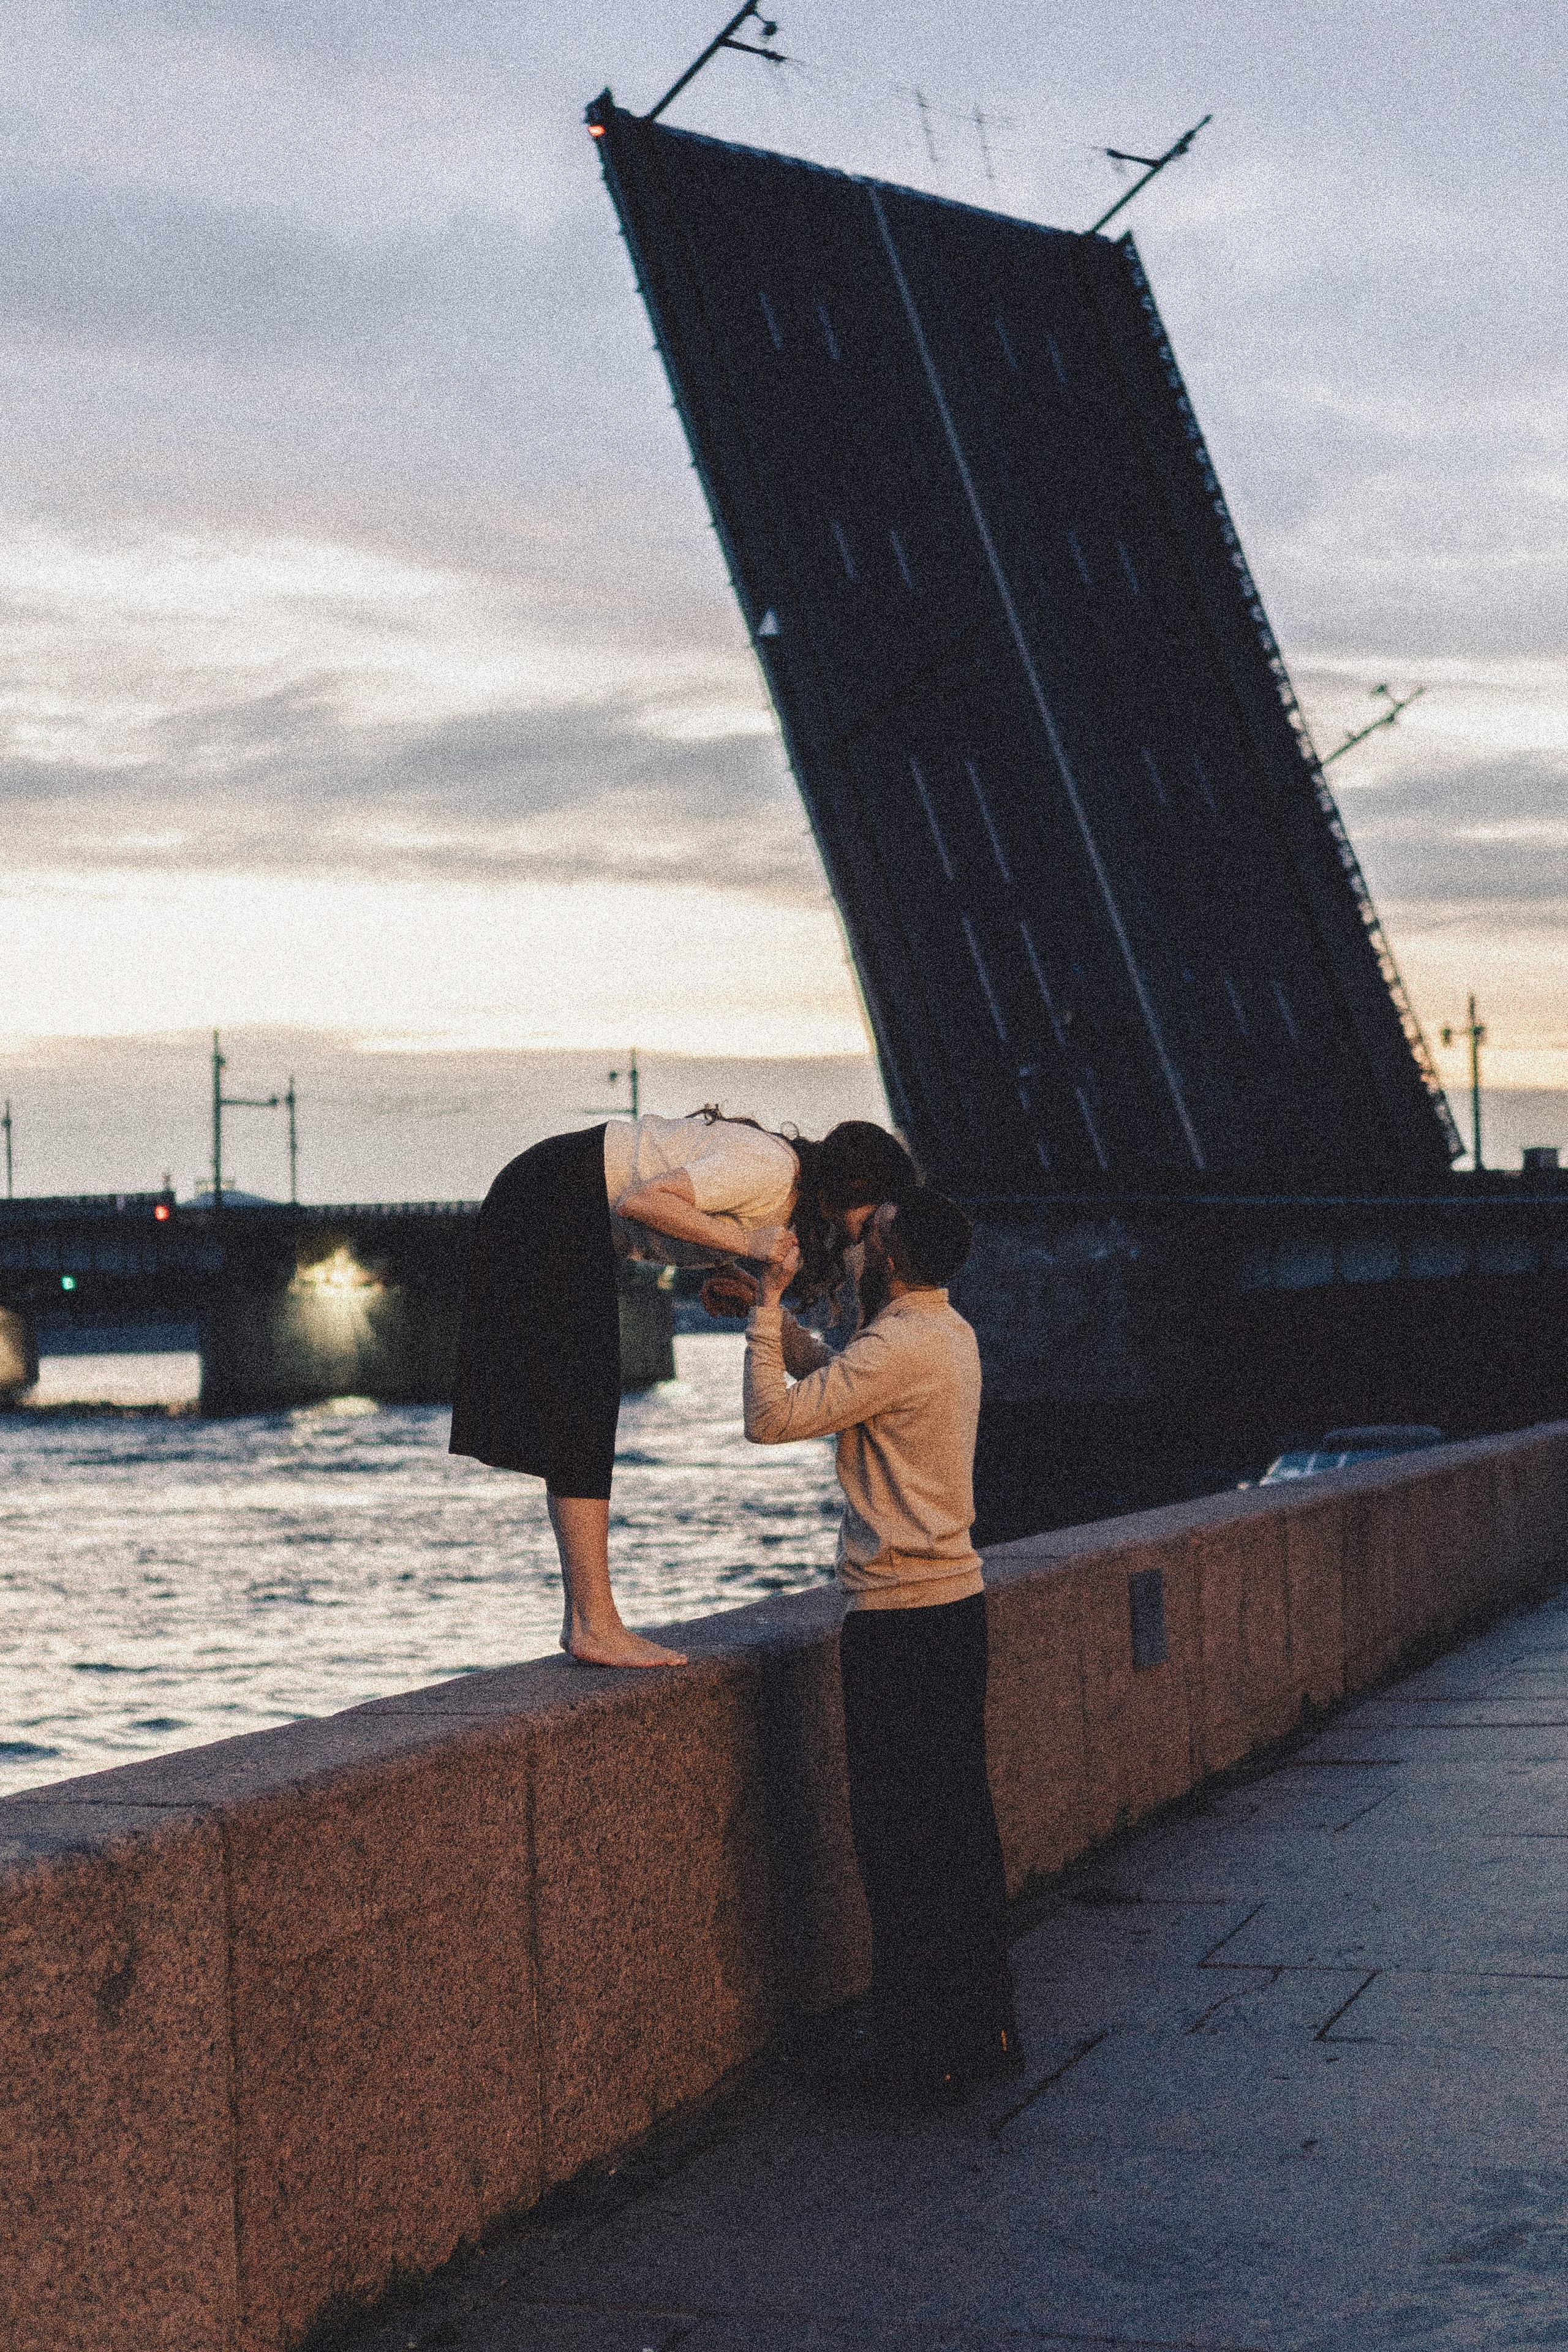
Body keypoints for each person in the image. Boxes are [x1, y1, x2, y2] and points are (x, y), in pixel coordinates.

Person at [449, 1109, 917, 1669]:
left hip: (564, 1203)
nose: (871, 1232)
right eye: (874, 1213)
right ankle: (594, 1625)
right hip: (551, 1195)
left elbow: (674, 1220)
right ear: (854, 1186)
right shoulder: (769, 1168)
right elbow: (642, 1203)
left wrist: (739, 1283)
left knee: (585, 1403)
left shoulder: (783, 1197)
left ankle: (586, 1622)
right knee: (584, 1401)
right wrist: (747, 1242)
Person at [743, 1189, 1019, 2104]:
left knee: (900, 1846)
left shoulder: (898, 1343)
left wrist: (758, 1316)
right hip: (956, 1607)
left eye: (869, 1235)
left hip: (899, 1619)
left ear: (890, 1262)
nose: (855, 1244)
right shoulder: (947, 1334)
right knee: (959, 1833)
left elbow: (774, 1420)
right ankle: (985, 2028)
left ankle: (916, 2055)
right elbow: (845, 1380)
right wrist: (780, 1326)